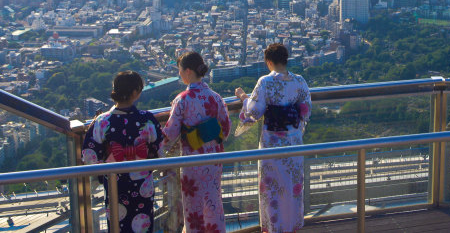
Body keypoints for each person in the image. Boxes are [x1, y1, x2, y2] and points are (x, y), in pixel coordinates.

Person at [235, 43, 312, 233]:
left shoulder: (265, 82)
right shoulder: (299, 81)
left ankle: (274, 228)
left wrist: (244, 97)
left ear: (268, 61)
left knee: (272, 190)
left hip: (272, 145)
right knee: (292, 186)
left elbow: (254, 111)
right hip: (293, 143)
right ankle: (292, 227)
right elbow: (306, 111)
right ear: (285, 60)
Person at [82, 71, 163, 233]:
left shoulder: (102, 121)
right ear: (135, 93)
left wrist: (103, 171)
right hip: (142, 184)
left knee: (117, 225)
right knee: (143, 224)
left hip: (114, 183)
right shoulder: (146, 119)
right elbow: (159, 152)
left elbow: (89, 156)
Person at [163, 51, 231, 233]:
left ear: (187, 71)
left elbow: (170, 133)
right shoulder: (216, 97)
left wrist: (154, 147)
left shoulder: (182, 100)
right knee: (213, 202)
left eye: (179, 70)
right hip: (214, 159)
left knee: (193, 206)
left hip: (192, 160)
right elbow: (225, 131)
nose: (179, 74)